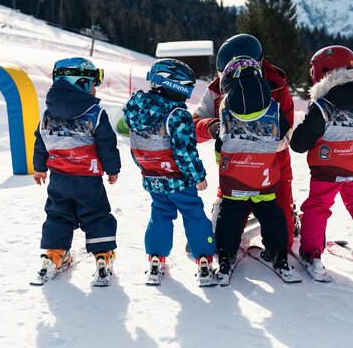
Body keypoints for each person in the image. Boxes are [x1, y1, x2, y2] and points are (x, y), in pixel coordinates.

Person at [290, 45, 353, 276]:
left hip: (327, 169)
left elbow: (300, 143)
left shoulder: (323, 104)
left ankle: (311, 252)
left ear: (324, 71)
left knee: (318, 206)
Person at [193, 33, 296, 250]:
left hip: (273, 169)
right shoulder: (217, 88)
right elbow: (195, 124)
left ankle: (283, 214)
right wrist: (212, 127)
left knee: (284, 243)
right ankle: (235, 210)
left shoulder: (275, 84)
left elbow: (287, 135)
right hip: (235, 169)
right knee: (222, 240)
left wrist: (252, 138)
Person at [123, 58, 216, 286]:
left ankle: (156, 258)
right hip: (178, 179)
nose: (187, 94)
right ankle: (203, 260)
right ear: (174, 85)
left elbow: (136, 142)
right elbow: (184, 151)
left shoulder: (135, 109)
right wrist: (198, 176)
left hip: (152, 175)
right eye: (187, 87)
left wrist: (147, 168)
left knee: (160, 214)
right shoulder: (177, 114)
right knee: (194, 214)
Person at [33, 57, 121, 286]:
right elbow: (106, 144)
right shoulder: (95, 113)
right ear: (81, 83)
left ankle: (54, 255)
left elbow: (40, 140)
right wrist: (112, 169)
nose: (94, 89)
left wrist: (40, 167)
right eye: (93, 84)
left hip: (59, 179)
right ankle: (103, 256)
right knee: (95, 214)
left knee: (58, 214)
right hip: (88, 180)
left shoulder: (48, 113)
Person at [214, 56, 296, 283]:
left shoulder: (226, 109)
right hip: (264, 176)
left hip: (234, 177)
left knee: (230, 213)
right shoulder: (274, 107)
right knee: (270, 213)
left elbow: (220, 145)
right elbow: (284, 139)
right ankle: (277, 254)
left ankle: (225, 256)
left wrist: (222, 159)